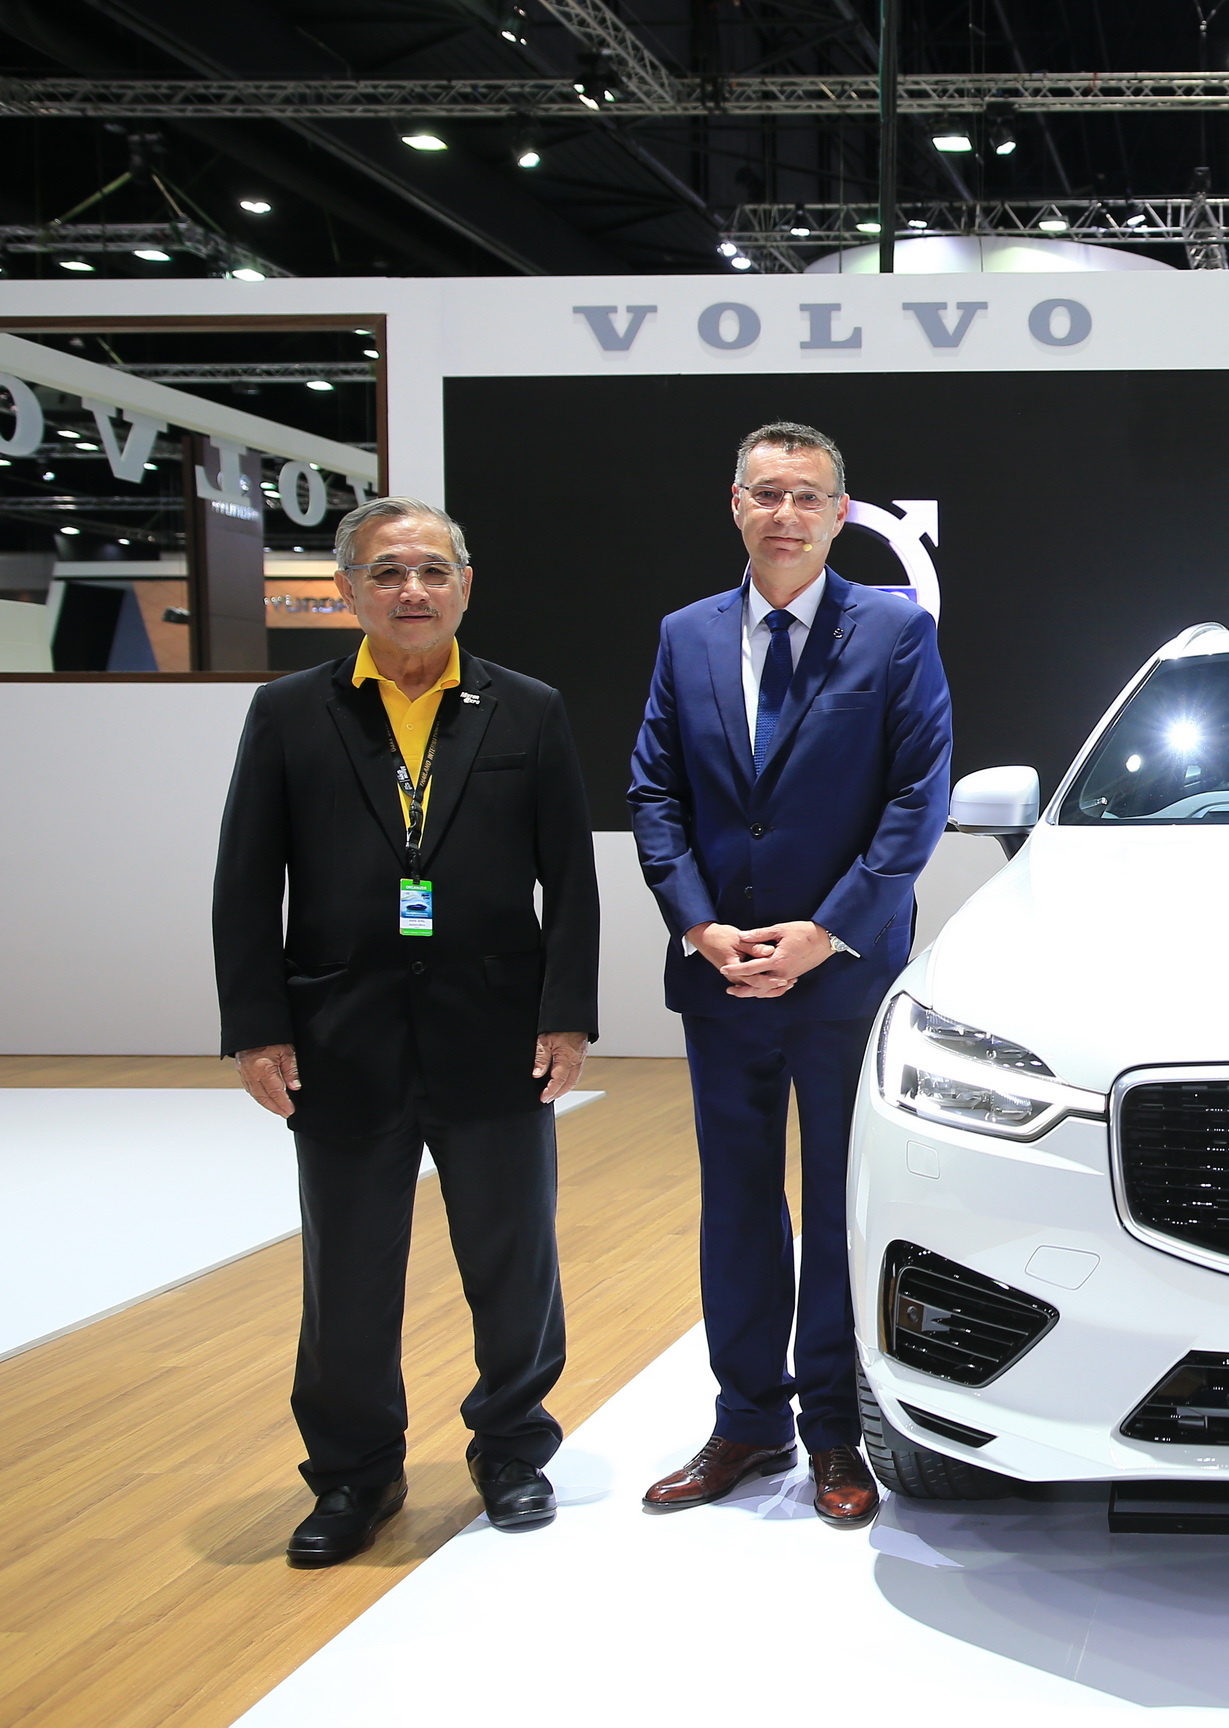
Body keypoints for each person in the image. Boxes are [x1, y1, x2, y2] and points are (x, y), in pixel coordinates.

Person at [214, 496, 599, 1567]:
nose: (412, 590)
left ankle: (512, 1449)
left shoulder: (529, 709)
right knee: (345, 1271)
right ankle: (355, 1474)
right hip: (340, 1037)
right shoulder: (289, 712)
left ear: (465, 585)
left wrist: (566, 1015)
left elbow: (570, 880)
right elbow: (245, 878)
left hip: (496, 1034)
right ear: (348, 590)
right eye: (386, 572)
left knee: (513, 1259)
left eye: (432, 569)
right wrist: (257, 1026)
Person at [628, 422, 952, 1527]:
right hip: (721, 974)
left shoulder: (895, 632)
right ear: (736, 505)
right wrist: (699, 925)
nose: (786, 514)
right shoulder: (685, 634)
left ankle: (834, 1430)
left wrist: (826, 931)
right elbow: (654, 792)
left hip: (842, 975)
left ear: (839, 514)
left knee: (839, 1203)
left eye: (808, 496)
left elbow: (917, 799)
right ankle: (746, 1422)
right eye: (767, 493)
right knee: (735, 1205)